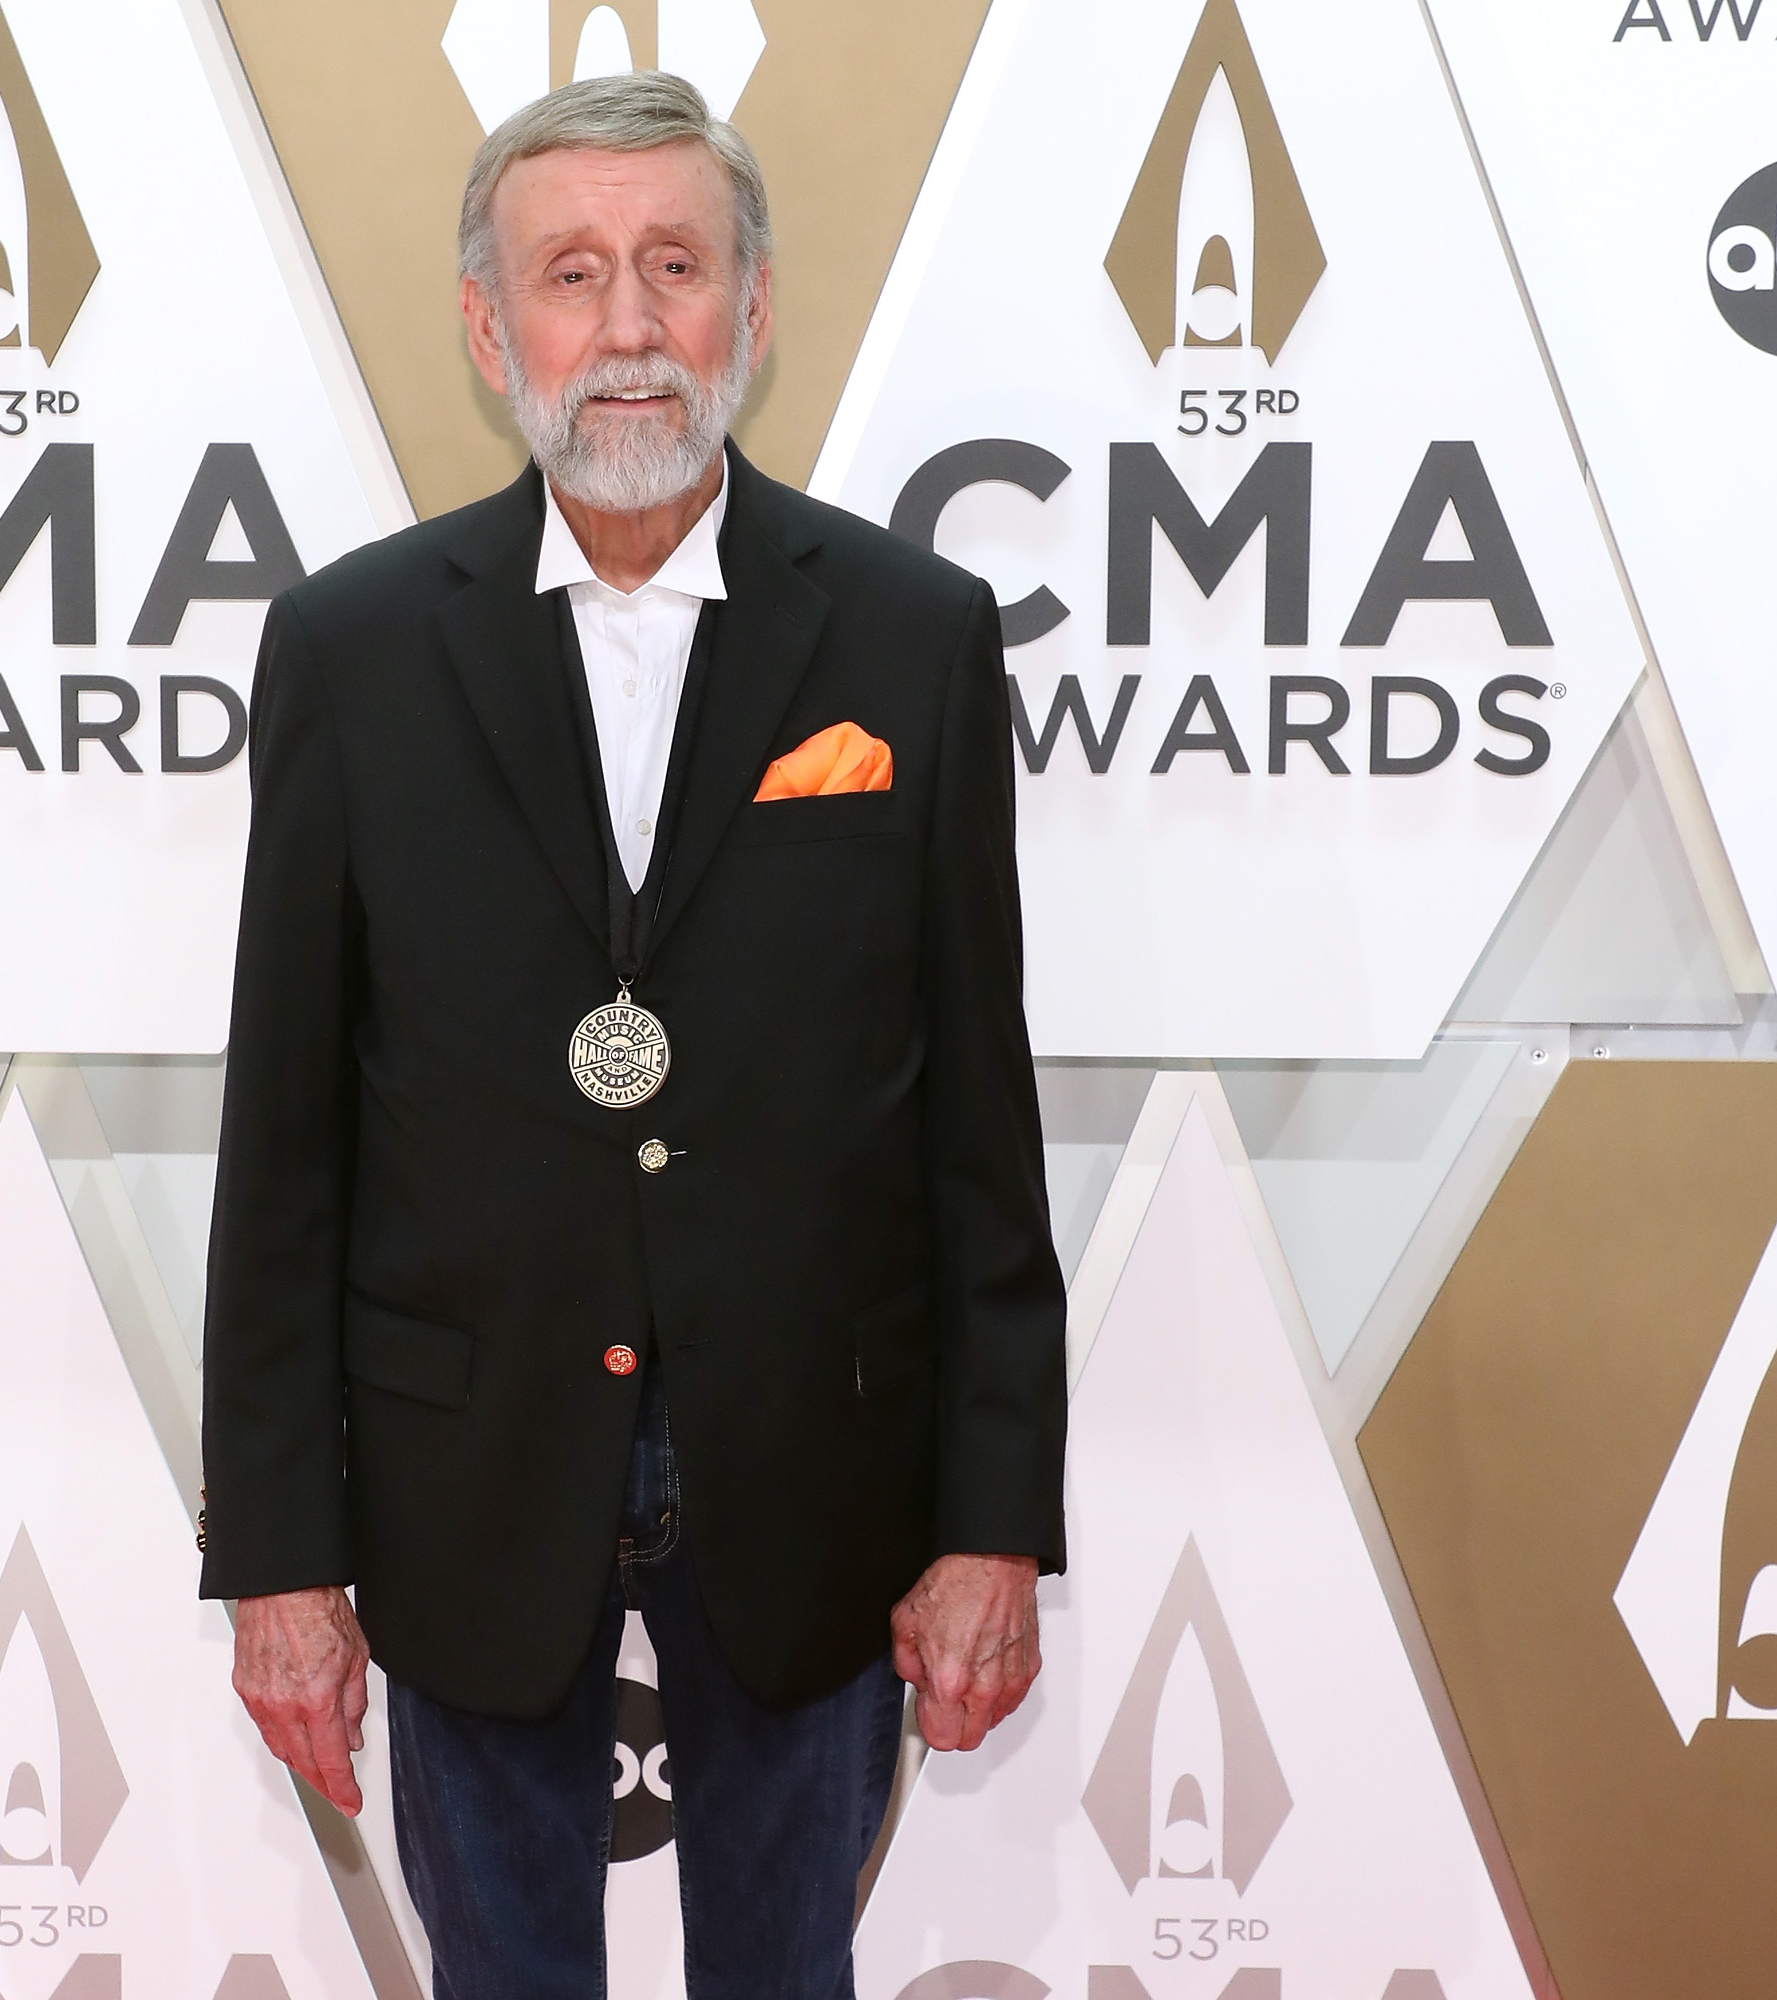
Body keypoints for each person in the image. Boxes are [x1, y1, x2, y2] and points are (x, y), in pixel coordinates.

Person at [199, 69, 1067, 2000]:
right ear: (491, 326)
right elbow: (287, 1147)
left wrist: (993, 1523)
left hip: (815, 1480)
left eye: (673, 266)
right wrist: (278, 1557)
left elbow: (977, 1132)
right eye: (572, 275)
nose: (626, 327)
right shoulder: (350, 652)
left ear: (751, 311)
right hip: (466, 1474)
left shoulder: (916, 638)